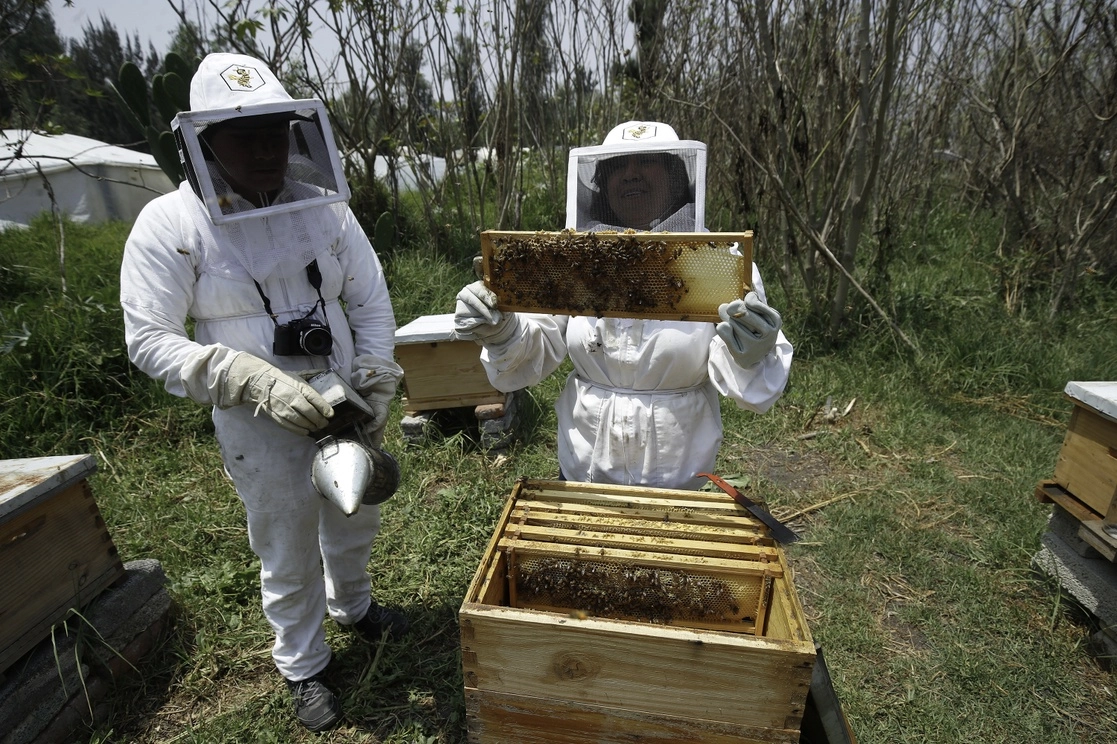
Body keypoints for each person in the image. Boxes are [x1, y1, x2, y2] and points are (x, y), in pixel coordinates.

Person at [119, 52, 405, 732]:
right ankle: (303, 665)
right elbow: (150, 339)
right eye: (242, 134)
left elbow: (370, 304)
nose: (264, 148)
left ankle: (355, 606)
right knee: (286, 539)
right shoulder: (168, 224)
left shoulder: (326, 212)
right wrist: (243, 378)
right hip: (256, 416)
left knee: (355, 512)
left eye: (275, 131)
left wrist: (375, 369)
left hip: (345, 397)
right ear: (202, 141)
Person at [454, 121, 792, 490]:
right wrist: (502, 332)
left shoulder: (717, 262)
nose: (630, 175)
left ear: (677, 176)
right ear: (602, 184)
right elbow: (533, 351)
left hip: (679, 474)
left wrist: (753, 357)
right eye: (617, 166)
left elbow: (752, 393)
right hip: (584, 467)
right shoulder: (573, 258)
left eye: (647, 162)